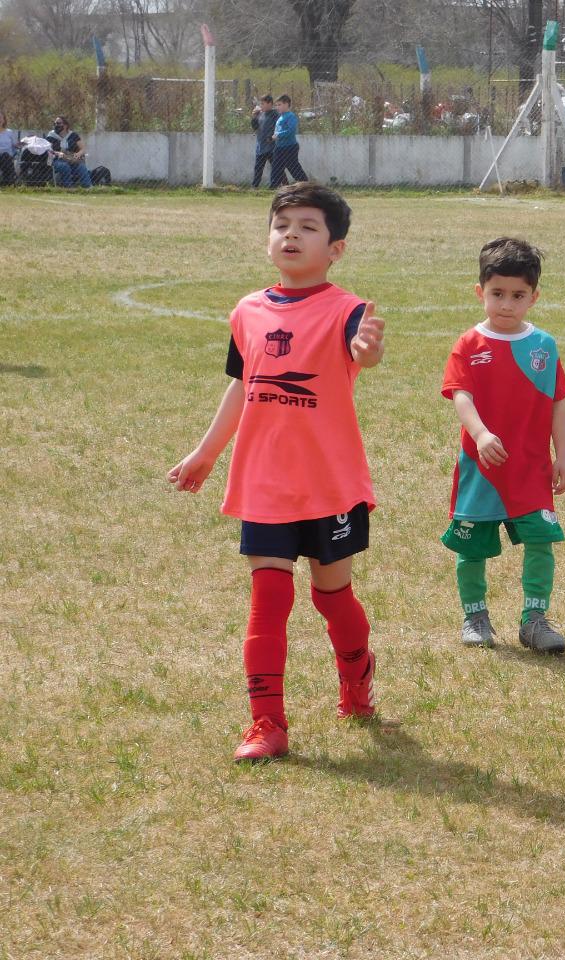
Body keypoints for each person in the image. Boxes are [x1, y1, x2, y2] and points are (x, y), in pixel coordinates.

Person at [168, 183, 386, 762]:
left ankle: (357, 680)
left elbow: (363, 353)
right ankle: (267, 723)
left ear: (335, 249)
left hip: (329, 485)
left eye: (308, 227)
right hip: (264, 482)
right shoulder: (248, 311)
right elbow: (243, 385)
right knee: (268, 598)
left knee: (331, 595)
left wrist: (367, 350)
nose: (291, 235)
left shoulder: (347, 311)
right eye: (282, 225)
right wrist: (206, 453)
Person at [440, 238, 565, 653]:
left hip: (531, 470)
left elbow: (558, 403)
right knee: (470, 546)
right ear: (480, 291)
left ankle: (534, 620)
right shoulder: (468, 344)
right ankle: (475, 616)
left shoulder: (544, 346)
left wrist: (563, 456)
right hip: (482, 468)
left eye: (518, 295)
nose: (507, 304)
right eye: (497, 294)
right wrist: (480, 434)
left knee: (540, 541)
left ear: (534, 297)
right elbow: (461, 395)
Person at [270, 95, 308, 188]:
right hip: (279, 147)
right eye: (276, 105)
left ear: (286, 104)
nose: (277, 107)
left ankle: (305, 184)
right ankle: (273, 186)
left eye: (279, 105)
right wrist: (273, 136)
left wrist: (278, 135)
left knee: (293, 167)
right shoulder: (281, 117)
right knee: (276, 167)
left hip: (289, 147)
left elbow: (291, 131)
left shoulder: (291, 116)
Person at [47, 115, 91, 188]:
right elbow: (48, 149)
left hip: (71, 158)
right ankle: (68, 187)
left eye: (58, 123)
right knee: (64, 166)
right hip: (57, 159)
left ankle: (88, 187)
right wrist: (58, 153)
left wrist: (78, 154)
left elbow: (83, 149)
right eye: (55, 123)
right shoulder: (51, 135)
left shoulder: (73, 135)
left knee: (81, 167)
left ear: (65, 125)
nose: (56, 125)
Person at [250, 94, 278, 188]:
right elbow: (255, 127)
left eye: (263, 103)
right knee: (258, 168)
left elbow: (278, 128)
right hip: (261, 147)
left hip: (272, 147)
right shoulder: (260, 114)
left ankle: (274, 186)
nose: (261, 106)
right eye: (260, 103)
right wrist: (254, 117)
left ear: (270, 104)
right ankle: (255, 186)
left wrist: (272, 136)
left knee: (275, 168)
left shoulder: (275, 114)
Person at [0, 110, 17, 186]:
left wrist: (23, 142)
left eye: (1, 118)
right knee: (5, 156)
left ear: (4, 120)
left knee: (5, 156)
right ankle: (8, 181)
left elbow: (15, 144)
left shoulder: (9, 132)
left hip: (7, 157)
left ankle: (7, 181)